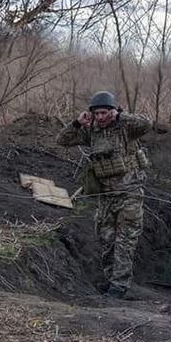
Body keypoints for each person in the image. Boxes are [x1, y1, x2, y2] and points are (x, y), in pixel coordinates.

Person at [58, 91, 152, 299]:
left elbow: (146, 123)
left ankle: (119, 286)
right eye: (97, 113)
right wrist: (77, 123)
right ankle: (111, 280)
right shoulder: (92, 131)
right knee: (106, 239)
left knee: (125, 241)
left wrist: (120, 116)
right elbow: (62, 140)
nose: (100, 117)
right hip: (106, 196)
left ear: (112, 111)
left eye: (104, 112)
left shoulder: (126, 127)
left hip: (129, 194)